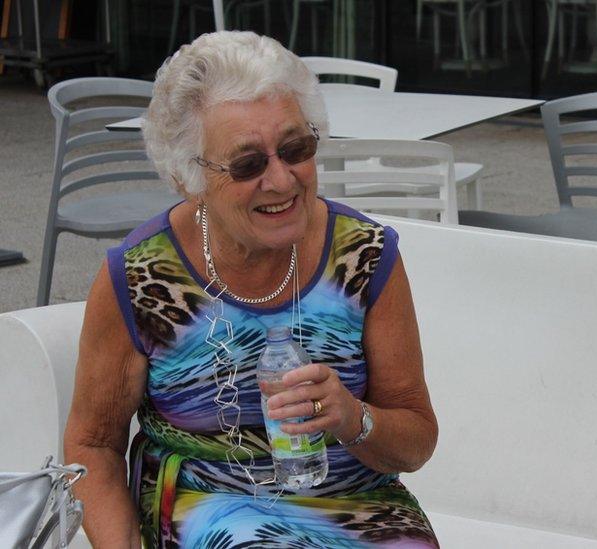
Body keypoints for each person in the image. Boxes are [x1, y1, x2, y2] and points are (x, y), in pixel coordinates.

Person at [62, 31, 439, 547]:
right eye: (247, 164)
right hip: (208, 504)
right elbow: (93, 445)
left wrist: (352, 417)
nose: (281, 180)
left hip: (356, 501)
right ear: (190, 176)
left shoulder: (365, 257)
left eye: (295, 149)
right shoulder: (138, 275)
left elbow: (416, 443)